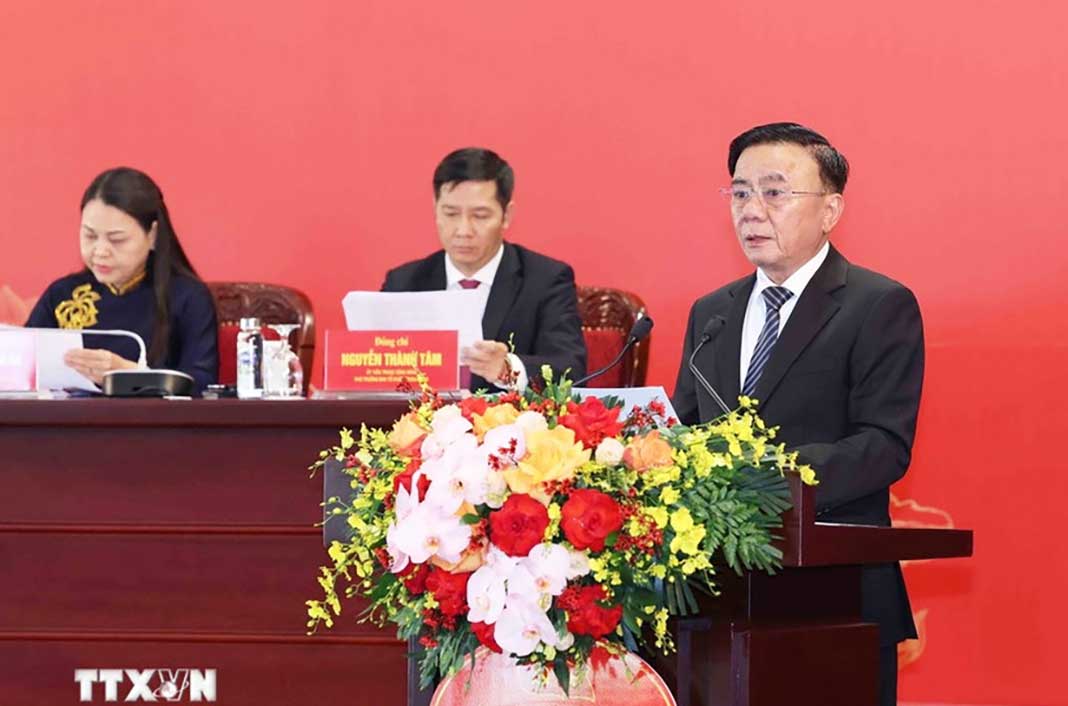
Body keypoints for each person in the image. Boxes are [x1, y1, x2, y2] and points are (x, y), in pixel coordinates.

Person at [672, 123, 924, 705]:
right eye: (739, 192)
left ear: (830, 210)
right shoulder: (712, 313)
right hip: (715, 599)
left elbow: (884, 445)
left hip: (835, 596)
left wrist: (767, 478)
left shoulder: (877, 304)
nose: (751, 210)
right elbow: (686, 428)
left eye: (774, 192)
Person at [382, 147, 587, 391]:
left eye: (480, 216)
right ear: (435, 209)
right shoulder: (403, 283)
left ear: (506, 215)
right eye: (450, 214)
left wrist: (508, 369)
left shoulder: (546, 280)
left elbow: (571, 369)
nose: (463, 230)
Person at [26, 167, 218, 393]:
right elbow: (20, 370)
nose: (100, 251)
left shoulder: (188, 298)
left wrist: (131, 374)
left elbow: (204, 386)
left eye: (116, 240)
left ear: (152, 235)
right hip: (69, 416)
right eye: (89, 235)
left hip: (148, 417)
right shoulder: (62, 295)